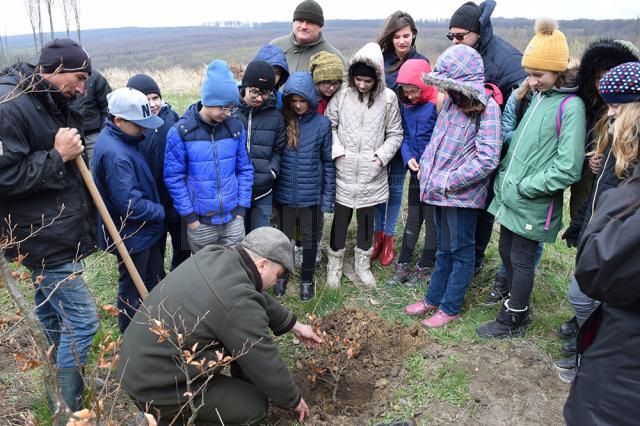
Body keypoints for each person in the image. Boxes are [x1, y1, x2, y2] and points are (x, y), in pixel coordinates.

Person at [117, 227, 323, 425]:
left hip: (138, 365)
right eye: (279, 275)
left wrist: (294, 325)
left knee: (238, 354)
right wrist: (293, 399)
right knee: (254, 407)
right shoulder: (237, 303)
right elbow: (263, 358)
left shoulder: (216, 255)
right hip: (159, 389)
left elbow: (253, 296)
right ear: (262, 265)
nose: (277, 282)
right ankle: (164, 420)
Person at [0, 38, 98, 412]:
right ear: (53, 70)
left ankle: (61, 389)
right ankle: (68, 410)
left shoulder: (51, 101)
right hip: (40, 236)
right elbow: (4, 179)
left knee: (54, 316)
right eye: (78, 77)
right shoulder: (10, 107)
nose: (82, 87)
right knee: (84, 321)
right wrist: (58, 156)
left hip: (56, 230)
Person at [476, 19, 586, 339]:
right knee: (508, 252)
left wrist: (527, 187)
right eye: (529, 74)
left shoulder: (570, 106)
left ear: (558, 71)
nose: (532, 81)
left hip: (533, 200)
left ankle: (516, 317)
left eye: (538, 75)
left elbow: (568, 167)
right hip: (512, 194)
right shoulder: (538, 97)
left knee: (522, 260)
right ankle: (513, 302)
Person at [404, 44, 502, 328]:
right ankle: (433, 298)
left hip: (462, 197)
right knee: (443, 249)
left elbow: (487, 158)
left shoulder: (487, 109)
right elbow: (438, 138)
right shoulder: (450, 102)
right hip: (437, 191)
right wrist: (428, 169)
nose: (448, 92)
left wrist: (448, 180)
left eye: (452, 86)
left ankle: (451, 307)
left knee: (461, 250)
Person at [554, 59, 640, 383]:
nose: (611, 112)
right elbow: (602, 194)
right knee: (585, 298)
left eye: (617, 105)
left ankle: (592, 354)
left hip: (618, 247)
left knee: (593, 301)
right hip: (601, 232)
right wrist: (582, 222)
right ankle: (587, 342)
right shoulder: (618, 140)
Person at [448, 0, 528, 272]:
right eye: (451, 36)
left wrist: (505, 140)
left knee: (482, 208)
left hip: (492, 145)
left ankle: (475, 262)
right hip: (463, 143)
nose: (455, 42)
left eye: (460, 36)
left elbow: (523, 107)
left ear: (478, 32)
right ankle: (459, 260)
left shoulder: (506, 60)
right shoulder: (462, 53)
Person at [326, 42, 403, 288]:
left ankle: (362, 265)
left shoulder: (389, 99)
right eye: (358, 79)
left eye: (367, 81)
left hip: (372, 174)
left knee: (367, 223)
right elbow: (329, 125)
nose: (362, 85)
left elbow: (395, 134)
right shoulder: (343, 94)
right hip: (344, 172)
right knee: (340, 221)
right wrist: (337, 152)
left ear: (378, 78)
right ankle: (334, 267)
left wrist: (381, 157)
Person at [93, 87, 166, 332]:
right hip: (132, 236)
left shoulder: (122, 139)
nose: (143, 130)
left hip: (142, 234)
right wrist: (159, 211)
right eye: (138, 125)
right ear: (119, 120)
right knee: (132, 291)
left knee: (155, 280)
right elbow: (131, 205)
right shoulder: (116, 154)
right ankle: (130, 336)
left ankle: (157, 326)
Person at [164, 60, 253, 252]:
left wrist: (241, 211)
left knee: (233, 270)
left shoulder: (235, 128)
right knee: (206, 275)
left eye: (232, 107)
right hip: (201, 224)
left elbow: (244, 169)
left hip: (233, 221)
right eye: (224, 107)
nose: (228, 113)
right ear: (208, 100)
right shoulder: (181, 132)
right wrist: (191, 218)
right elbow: (174, 178)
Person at [373, 11, 431, 267]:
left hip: (405, 135)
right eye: (396, 36)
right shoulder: (382, 60)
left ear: (414, 35)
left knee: (395, 189)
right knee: (376, 189)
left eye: (406, 35)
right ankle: (376, 236)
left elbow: (426, 98)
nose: (402, 41)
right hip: (380, 132)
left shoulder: (421, 61)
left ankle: (389, 239)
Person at [275, 71, 334, 301]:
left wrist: (327, 196)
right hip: (285, 194)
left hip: (311, 196)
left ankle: (307, 278)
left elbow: (328, 162)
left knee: (309, 240)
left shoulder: (322, 124)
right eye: (294, 101)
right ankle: (281, 275)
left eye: (302, 100)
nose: (298, 105)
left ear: (311, 99)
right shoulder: (284, 120)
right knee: (283, 238)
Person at [127, 73, 191, 271]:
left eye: (155, 98)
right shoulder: (134, 128)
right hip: (152, 202)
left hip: (176, 198)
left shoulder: (172, 119)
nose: (153, 104)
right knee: (156, 248)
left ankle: (179, 275)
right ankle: (158, 282)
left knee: (184, 246)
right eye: (146, 100)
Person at [388, 58, 439, 287]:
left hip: (435, 174)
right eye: (405, 91)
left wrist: (428, 161)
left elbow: (440, 139)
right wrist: (408, 157)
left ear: (425, 85)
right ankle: (403, 264)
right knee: (412, 219)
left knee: (431, 222)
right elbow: (406, 136)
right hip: (417, 173)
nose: (410, 95)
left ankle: (425, 266)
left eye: (414, 90)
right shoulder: (406, 107)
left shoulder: (437, 105)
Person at [236, 60, 286, 234]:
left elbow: (278, 150)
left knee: (260, 240)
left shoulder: (276, 117)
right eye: (254, 92)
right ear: (245, 87)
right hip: (235, 191)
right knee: (236, 241)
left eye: (265, 93)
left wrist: (271, 171)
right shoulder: (230, 113)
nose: (259, 98)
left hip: (263, 190)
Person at [270, 0, 345, 72]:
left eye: (310, 22)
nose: (303, 26)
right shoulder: (275, 47)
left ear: (321, 27)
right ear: (293, 23)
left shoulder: (334, 57)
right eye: (300, 20)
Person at [72, 70, 111, 166]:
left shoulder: (95, 78)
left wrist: (103, 135)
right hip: (69, 138)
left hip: (92, 136)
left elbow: (107, 108)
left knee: (96, 169)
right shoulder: (59, 78)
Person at [254, 44, 290, 110]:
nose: (273, 76)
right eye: (269, 70)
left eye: (278, 73)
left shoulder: (281, 101)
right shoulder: (240, 95)